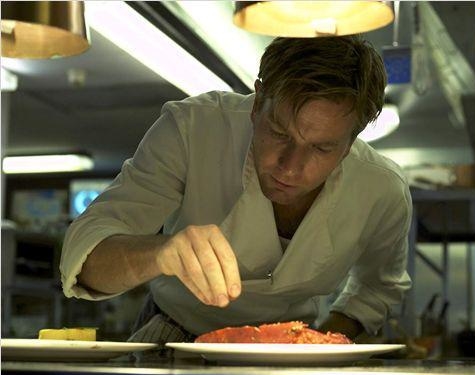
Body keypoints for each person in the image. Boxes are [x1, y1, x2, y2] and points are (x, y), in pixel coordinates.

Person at [59, 35, 412, 343]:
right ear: (257, 103)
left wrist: (319, 342)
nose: (290, 166)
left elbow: (377, 289)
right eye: (279, 133)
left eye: (321, 148)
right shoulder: (193, 129)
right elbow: (85, 255)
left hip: (290, 342)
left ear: (350, 144)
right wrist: (161, 252)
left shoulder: (382, 190)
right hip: (175, 327)